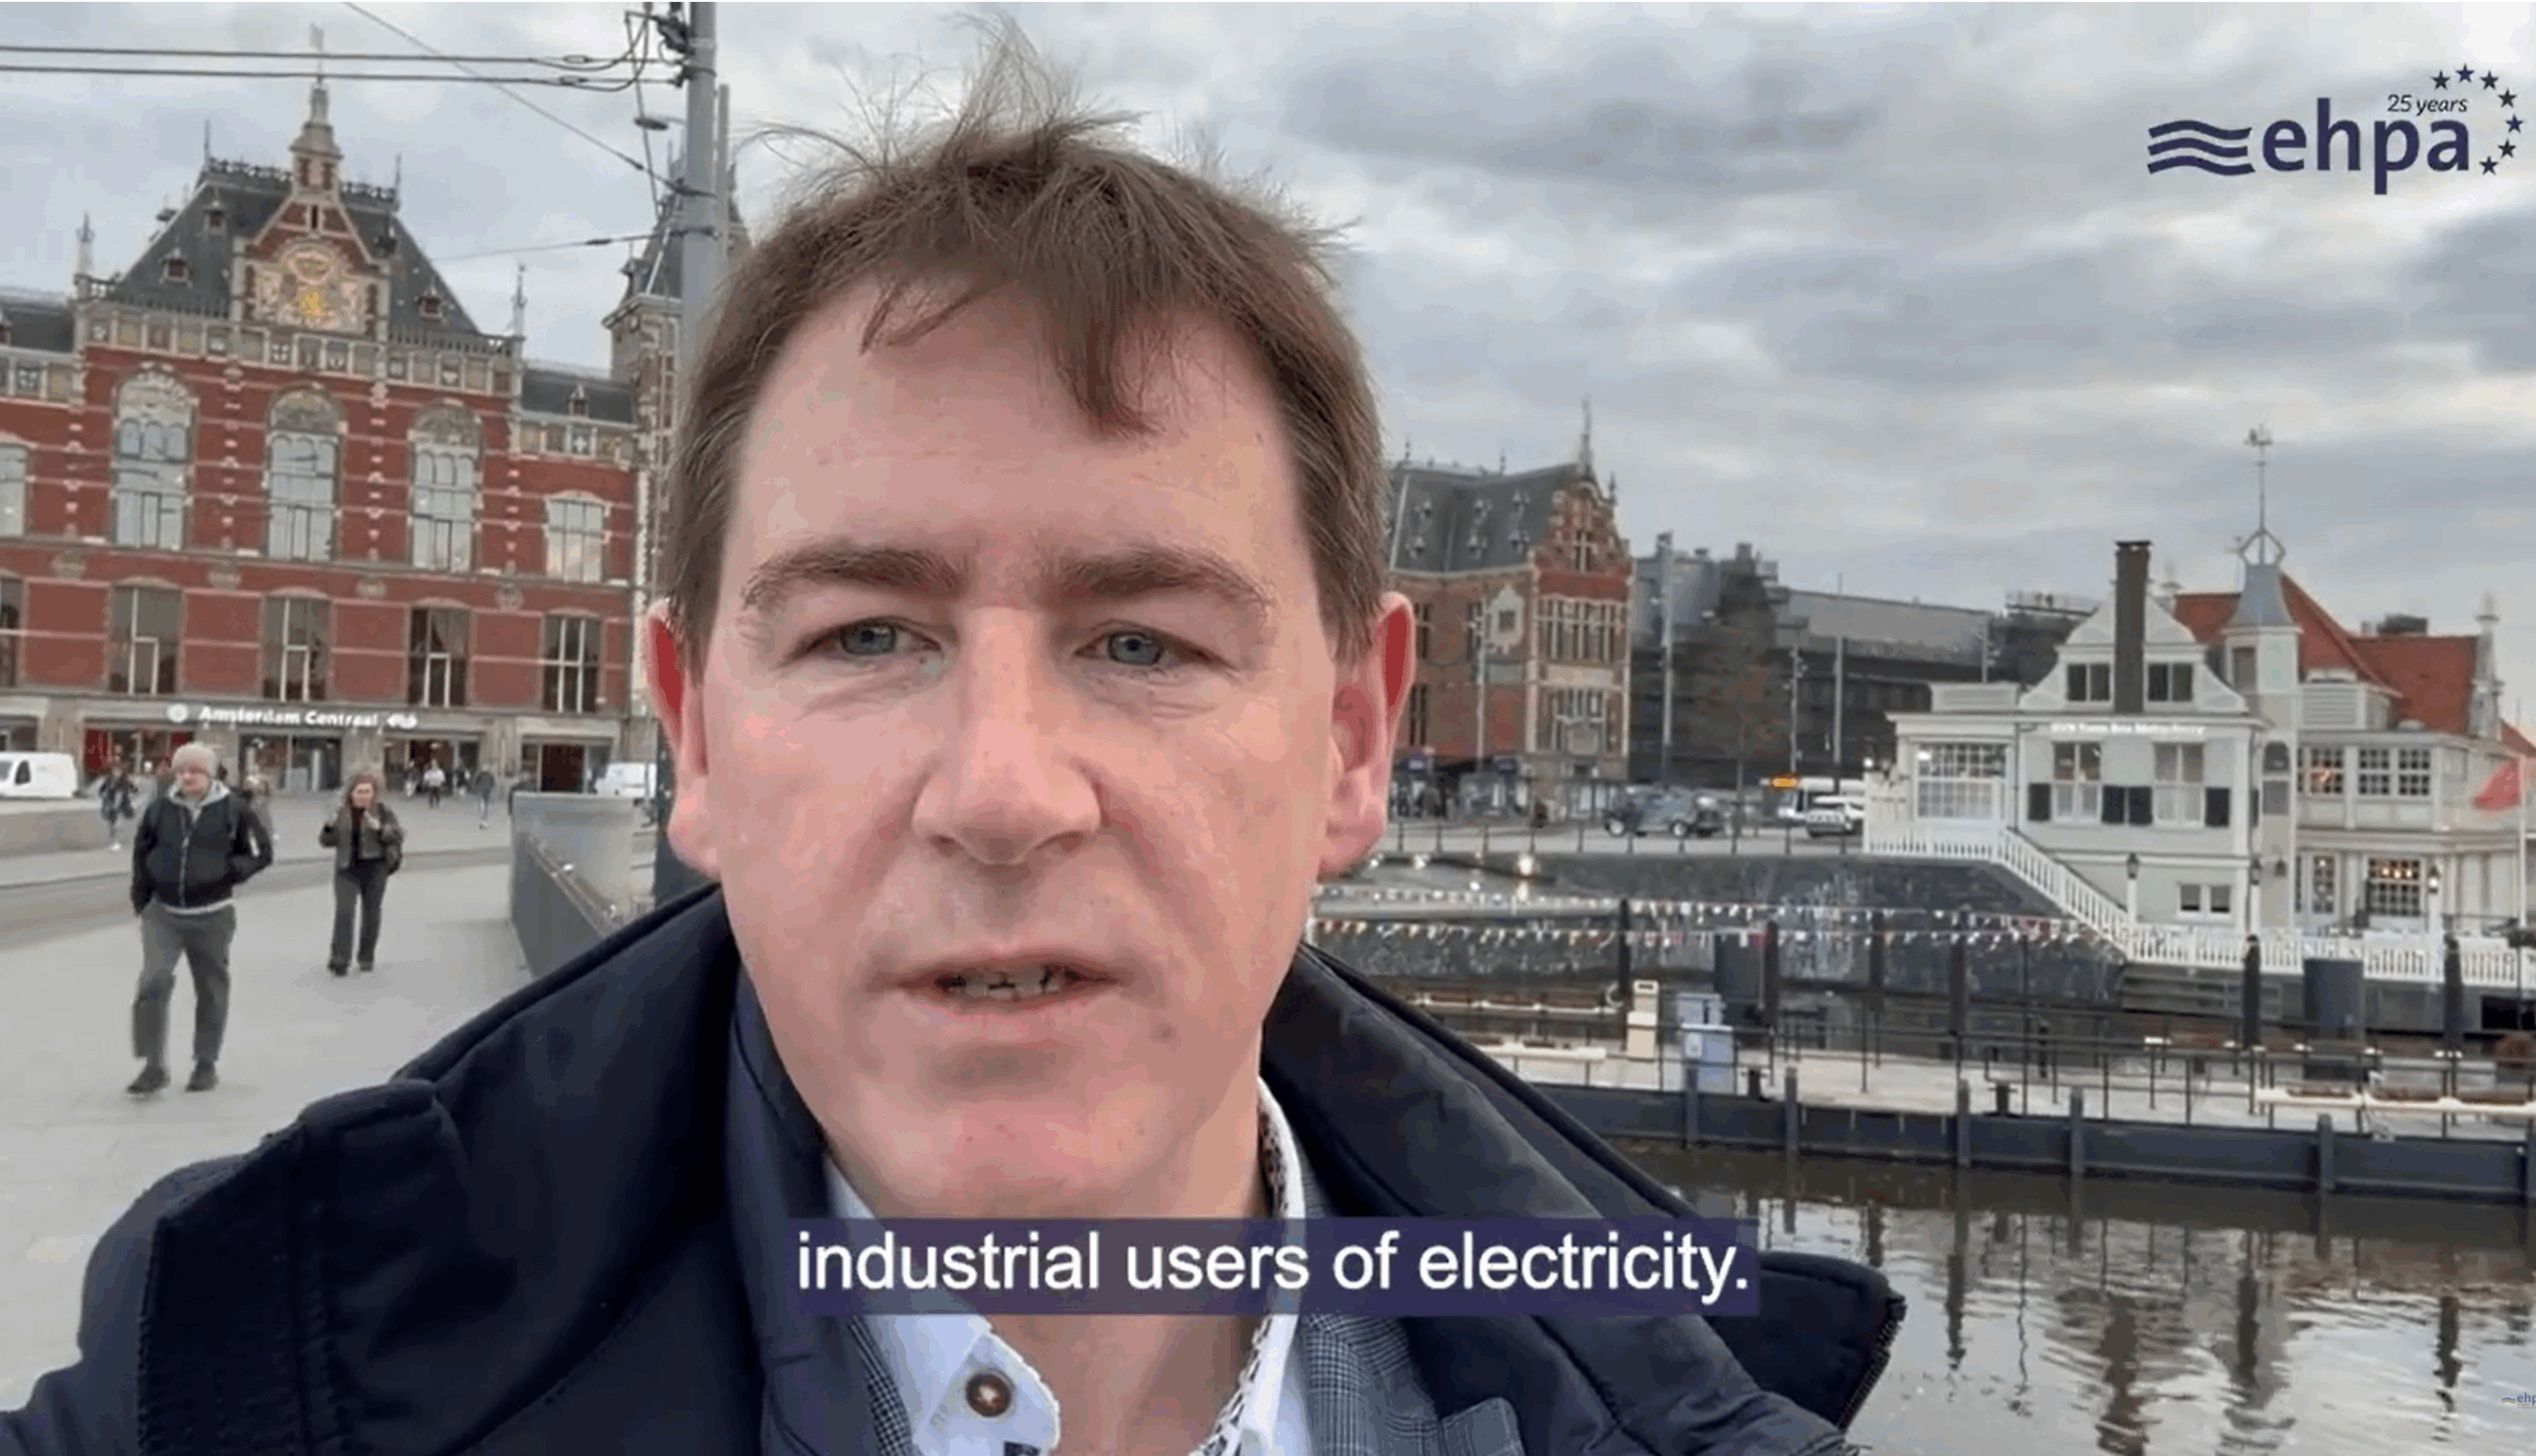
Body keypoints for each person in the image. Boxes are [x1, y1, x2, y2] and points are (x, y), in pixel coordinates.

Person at [1, 24, 1898, 1455]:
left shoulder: (1704, 1394)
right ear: (695, 736)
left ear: (1351, 740)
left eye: (1141, 641)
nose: (1001, 790)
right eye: (868, 634)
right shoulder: (240, 1383)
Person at [120, 741, 271, 1097]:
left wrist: (230, 871)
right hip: (163, 915)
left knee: (211, 989)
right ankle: (153, 1066)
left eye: (194, 771)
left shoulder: (235, 809)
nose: (186, 777)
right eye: (181, 771)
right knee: (153, 982)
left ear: (210, 774)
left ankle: (206, 1063)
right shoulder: (159, 809)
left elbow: (262, 853)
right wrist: (141, 902)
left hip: (212, 916)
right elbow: (141, 855)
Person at [317, 770, 403, 976]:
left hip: (375, 868)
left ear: (374, 793)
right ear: (351, 793)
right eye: (359, 791)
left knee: (371, 913)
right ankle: (340, 958)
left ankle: (366, 956)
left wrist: (380, 828)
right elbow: (326, 842)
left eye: (367, 791)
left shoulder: (382, 811)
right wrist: (328, 827)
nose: (363, 796)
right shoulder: (341, 812)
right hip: (346, 868)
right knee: (344, 912)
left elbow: (398, 835)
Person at [473, 764, 498, 828]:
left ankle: (483, 820)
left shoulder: (482, 775)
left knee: (483, 806)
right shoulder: (488, 775)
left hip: (483, 791)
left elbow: (475, 782)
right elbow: (493, 783)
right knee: (484, 806)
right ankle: (483, 820)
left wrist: (475, 788)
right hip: (484, 791)